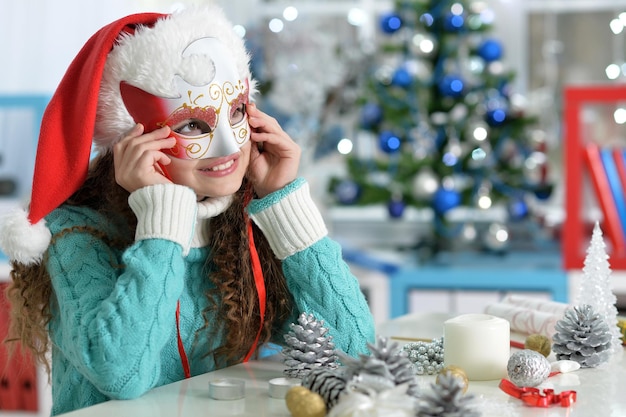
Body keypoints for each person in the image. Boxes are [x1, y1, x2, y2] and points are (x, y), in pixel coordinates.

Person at [0, 6, 375, 415]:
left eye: (235, 112)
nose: (230, 146)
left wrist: (285, 201)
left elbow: (351, 349)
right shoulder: (76, 232)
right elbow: (121, 374)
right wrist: (161, 223)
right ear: (133, 141)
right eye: (192, 126)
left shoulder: (244, 222)